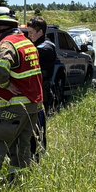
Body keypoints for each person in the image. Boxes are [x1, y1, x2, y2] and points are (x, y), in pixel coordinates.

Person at [0, 12, 44, 181]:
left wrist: (5, 84)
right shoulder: (27, 42)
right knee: (21, 147)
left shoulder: (7, 44)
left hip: (14, 106)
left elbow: (0, 70)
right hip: (32, 106)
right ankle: (18, 181)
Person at [22, 16, 58, 158]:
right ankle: (32, 156)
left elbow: (34, 53)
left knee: (38, 129)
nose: (28, 35)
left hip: (42, 93)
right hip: (36, 92)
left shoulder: (46, 47)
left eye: (31, 32)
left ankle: (38, 157)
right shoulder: (38, 44)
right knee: (30, 129)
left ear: (40, 32)